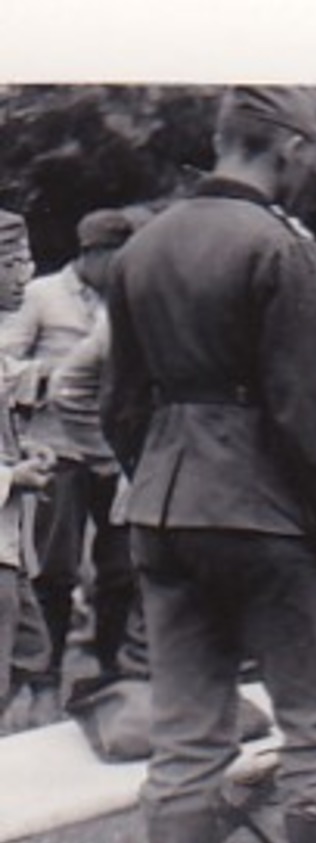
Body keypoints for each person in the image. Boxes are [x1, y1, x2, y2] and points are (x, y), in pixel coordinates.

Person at [102, 87, 316, 843]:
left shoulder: (139, 246)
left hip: (161, 510)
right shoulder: (282, 247)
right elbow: (313, 415)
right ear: (288, 150)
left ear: (222, 143)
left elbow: (120, 406)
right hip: (261, 513)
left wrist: (160, 473)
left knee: (188, 741)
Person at [0, 209, 136, 723]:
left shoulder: (123, 300)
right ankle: (46, 680)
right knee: (55, 572)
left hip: (109, 454)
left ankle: (110, 674)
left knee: (120, 568)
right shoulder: (40, 296)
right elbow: (8, 364)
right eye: (116, 260)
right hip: (57, 454)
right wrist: (66, 372)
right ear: (93, 253)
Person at [0, 210, 57, 728]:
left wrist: (27, 453)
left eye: (27, 262)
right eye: (12, 263)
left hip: (8, 541)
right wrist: (11, 478)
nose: (25, 275)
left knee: (29, 653)